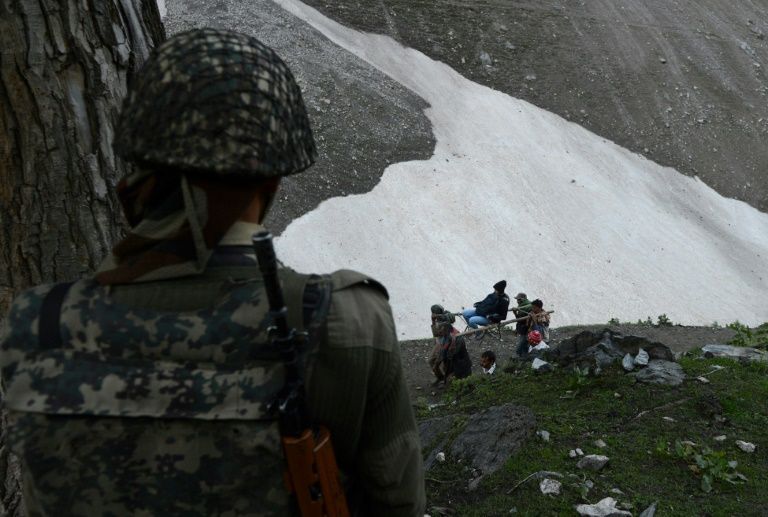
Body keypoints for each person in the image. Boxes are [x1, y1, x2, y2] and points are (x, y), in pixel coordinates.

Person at [0, 29, 424, 517]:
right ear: (272, 180)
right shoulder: (346, 318)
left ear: (141, 166)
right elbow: (399, 501)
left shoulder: (35, 322)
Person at [428, 304, 454, 384]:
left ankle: (445, 381)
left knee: (442, 365)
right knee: (431, 361)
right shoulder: (439, 319)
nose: (432, 314)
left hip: (445, 345)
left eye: (433, 313)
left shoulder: (444, 322)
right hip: (439, 344)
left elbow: (435, 334)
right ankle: (440, 377)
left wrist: (433, 321)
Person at [512, 292, 533, 359]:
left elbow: (519, 320)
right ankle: (524, 357)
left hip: (525, 328)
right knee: (524, 344)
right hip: (525, 327)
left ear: (523, 299)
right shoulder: (526, 305)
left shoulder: (524, 307)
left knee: (522, 343)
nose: (517, 301)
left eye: (519, 299)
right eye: (517, 300)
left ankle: (518, 356)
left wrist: (515, 312)